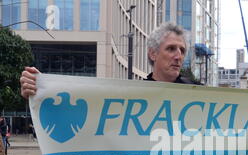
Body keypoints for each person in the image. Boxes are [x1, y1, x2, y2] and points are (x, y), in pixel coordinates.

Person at [20, 22, 199, 100]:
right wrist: (42, 87)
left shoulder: (199, 93)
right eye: (171, 48)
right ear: (153, 54)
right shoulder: (132, 95)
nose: (178, 56)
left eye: (182, 50)